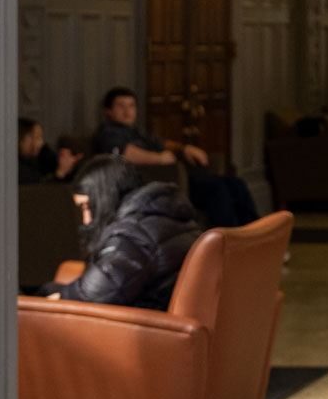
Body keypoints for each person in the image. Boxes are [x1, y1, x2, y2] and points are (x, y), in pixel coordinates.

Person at [41, 155, 201, 311]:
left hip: (139, 325)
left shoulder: (132, 234)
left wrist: (58, 298)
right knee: (49, 289)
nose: (86, 219)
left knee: (43, 298)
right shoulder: (165, 216)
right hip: (157, 314)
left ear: (104, 198)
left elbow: (96, 294)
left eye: (87, 206)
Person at [93, 87, 260, 227]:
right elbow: (126, 153)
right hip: (157, 184)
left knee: (236, 184)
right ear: (109, 111)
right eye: (121, 106)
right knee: (217, 189)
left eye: (131, 106)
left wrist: (184, 148)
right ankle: (230, 242)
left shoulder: (136, 131)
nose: (127, 111)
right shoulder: (108, 133)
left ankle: (256, 235)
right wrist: (159, 158)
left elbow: (161, 142)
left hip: (176, 176)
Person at [17, 117, 82, 184]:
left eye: (40, 137)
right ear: (21, 140)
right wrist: (60, 174)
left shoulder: (43, 154)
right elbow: (38, 188)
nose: (41, 143)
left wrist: (68, 164)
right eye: (36, 138)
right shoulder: (19, 169)